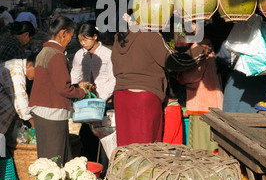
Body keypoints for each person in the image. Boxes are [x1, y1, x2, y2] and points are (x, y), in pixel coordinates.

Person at [111, 17, 212, 147]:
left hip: (121, 97)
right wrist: (200, 51)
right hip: (144, 97)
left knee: (126, 148)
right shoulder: (150, 35)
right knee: (148, 149)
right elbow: (174, 61)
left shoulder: (119, 37)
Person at [29, 16, 89, 167]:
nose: (70, 39)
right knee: (55, 160)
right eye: (70, 35)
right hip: (51, 112)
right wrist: (82, 92)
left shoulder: (45, 50)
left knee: (49, 158)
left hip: (43, 111)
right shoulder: (56, 55)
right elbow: (64, 88)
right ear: (63, 33)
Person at [70, 22, 115, 162]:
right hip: (86, 102)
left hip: (104, 101)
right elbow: (75, 76)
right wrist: (79, 85)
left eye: (86, 39)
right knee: (87, 136)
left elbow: (113, 79)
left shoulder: (108, 54)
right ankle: (90, 166)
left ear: (95, 37)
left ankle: (106, 168)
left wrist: (102, 98)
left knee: (105, 138)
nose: (83, 43)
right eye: (80, 40)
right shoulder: (79, 55)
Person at [0, 54, 35, 180]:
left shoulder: (15, 66)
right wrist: (35, 126)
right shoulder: (15, 71)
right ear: (31, 66)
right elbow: (21, 104)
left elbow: (10, 98)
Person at [177, 34, 223, 152]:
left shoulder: (200, 46)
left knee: (201, 146)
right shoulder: (209, 45)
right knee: (211, 144)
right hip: (213, 103)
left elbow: (193, 75)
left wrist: (180, 76)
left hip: (202, 103)